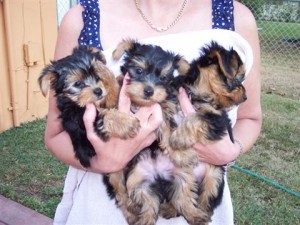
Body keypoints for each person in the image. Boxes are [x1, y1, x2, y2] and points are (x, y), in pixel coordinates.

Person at [46, 0, 262, 224]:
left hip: (198, 206)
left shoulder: (235, 18)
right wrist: (101, 162)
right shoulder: (82, 19)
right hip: (103, 213)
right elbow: (55, 135)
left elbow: (250, 118)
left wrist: (230, 151)